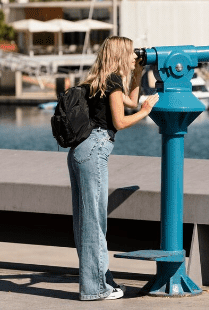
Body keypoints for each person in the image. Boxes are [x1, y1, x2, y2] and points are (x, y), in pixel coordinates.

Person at [67, 36, 158, 301]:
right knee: (94, 222)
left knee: (87, 221)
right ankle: (96, 288)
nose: (134, 56)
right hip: (95, 149)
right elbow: (120, 121)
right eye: (131, 53)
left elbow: (129, 101)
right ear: (121, 54)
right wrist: (146, 111)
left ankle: (99, 282)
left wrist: (139, 73)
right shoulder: (112, 81)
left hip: (81, 150)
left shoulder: (100, 79)